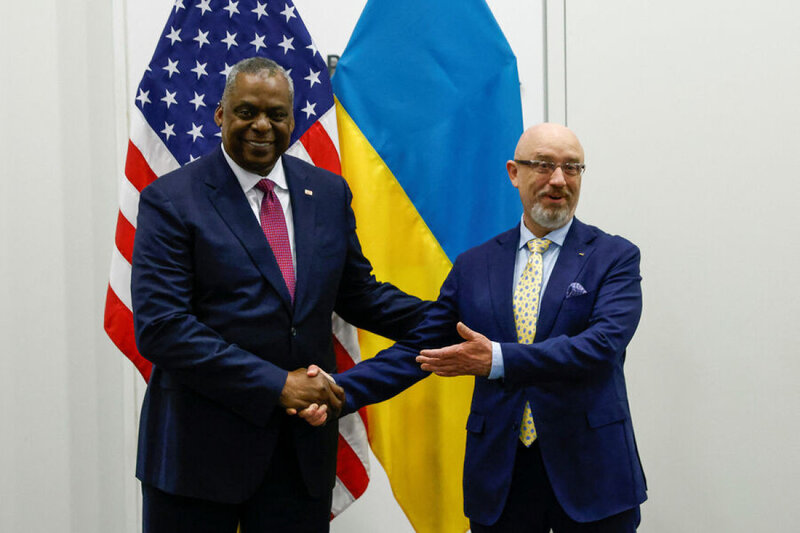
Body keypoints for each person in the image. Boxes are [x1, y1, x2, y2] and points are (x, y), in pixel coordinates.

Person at [131, 57, 427, 533]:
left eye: (276, 114)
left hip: (298, 456)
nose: (262, 126)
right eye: (247, 112)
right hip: (196, 458)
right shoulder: (171, 199)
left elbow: (359, 296)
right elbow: (162, 328)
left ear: (293, 119)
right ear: (220, 115)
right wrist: (276, 385)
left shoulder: (327, 193)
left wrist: (453, 315)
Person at [302, 123, 647, 531]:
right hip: (501, 477)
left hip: (592, 473)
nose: (558, 179)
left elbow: (601, 346)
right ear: (514, 173)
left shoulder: (614, 257)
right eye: (543, 165)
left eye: (572, 167)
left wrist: (497, 360)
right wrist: (340, 391)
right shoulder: (476, 265)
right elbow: (421, 348)